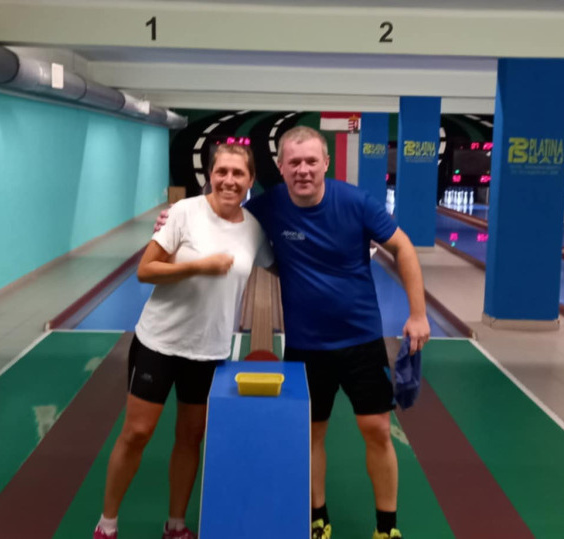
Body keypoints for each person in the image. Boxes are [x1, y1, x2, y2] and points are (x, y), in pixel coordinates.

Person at [155, 126, 430, 539]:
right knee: (312, 433)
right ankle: (318, 517)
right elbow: (220, 213)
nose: (303, 170)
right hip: (306, 346)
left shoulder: (356, 202)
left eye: (311, 161)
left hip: (361, 339)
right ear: (281, 167)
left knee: (376, 429)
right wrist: (174, 217)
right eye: (294, 162)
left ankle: (386, 527)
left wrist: (418, 314)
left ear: (325, 164)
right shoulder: (268, 207)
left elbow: (403, 246)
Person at [93, 143, 273, 539]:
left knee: (191, 438)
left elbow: (280, 265)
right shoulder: (184, 212)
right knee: (137, 433)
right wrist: (200, 266)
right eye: (222, 171)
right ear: (210, 174)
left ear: (251, 179)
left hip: (209, 351)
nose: (229, 180)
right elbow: (146, 270)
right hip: (159, 342)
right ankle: (106, 524)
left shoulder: (254, 229)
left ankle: (175, 525)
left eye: (238, 173)